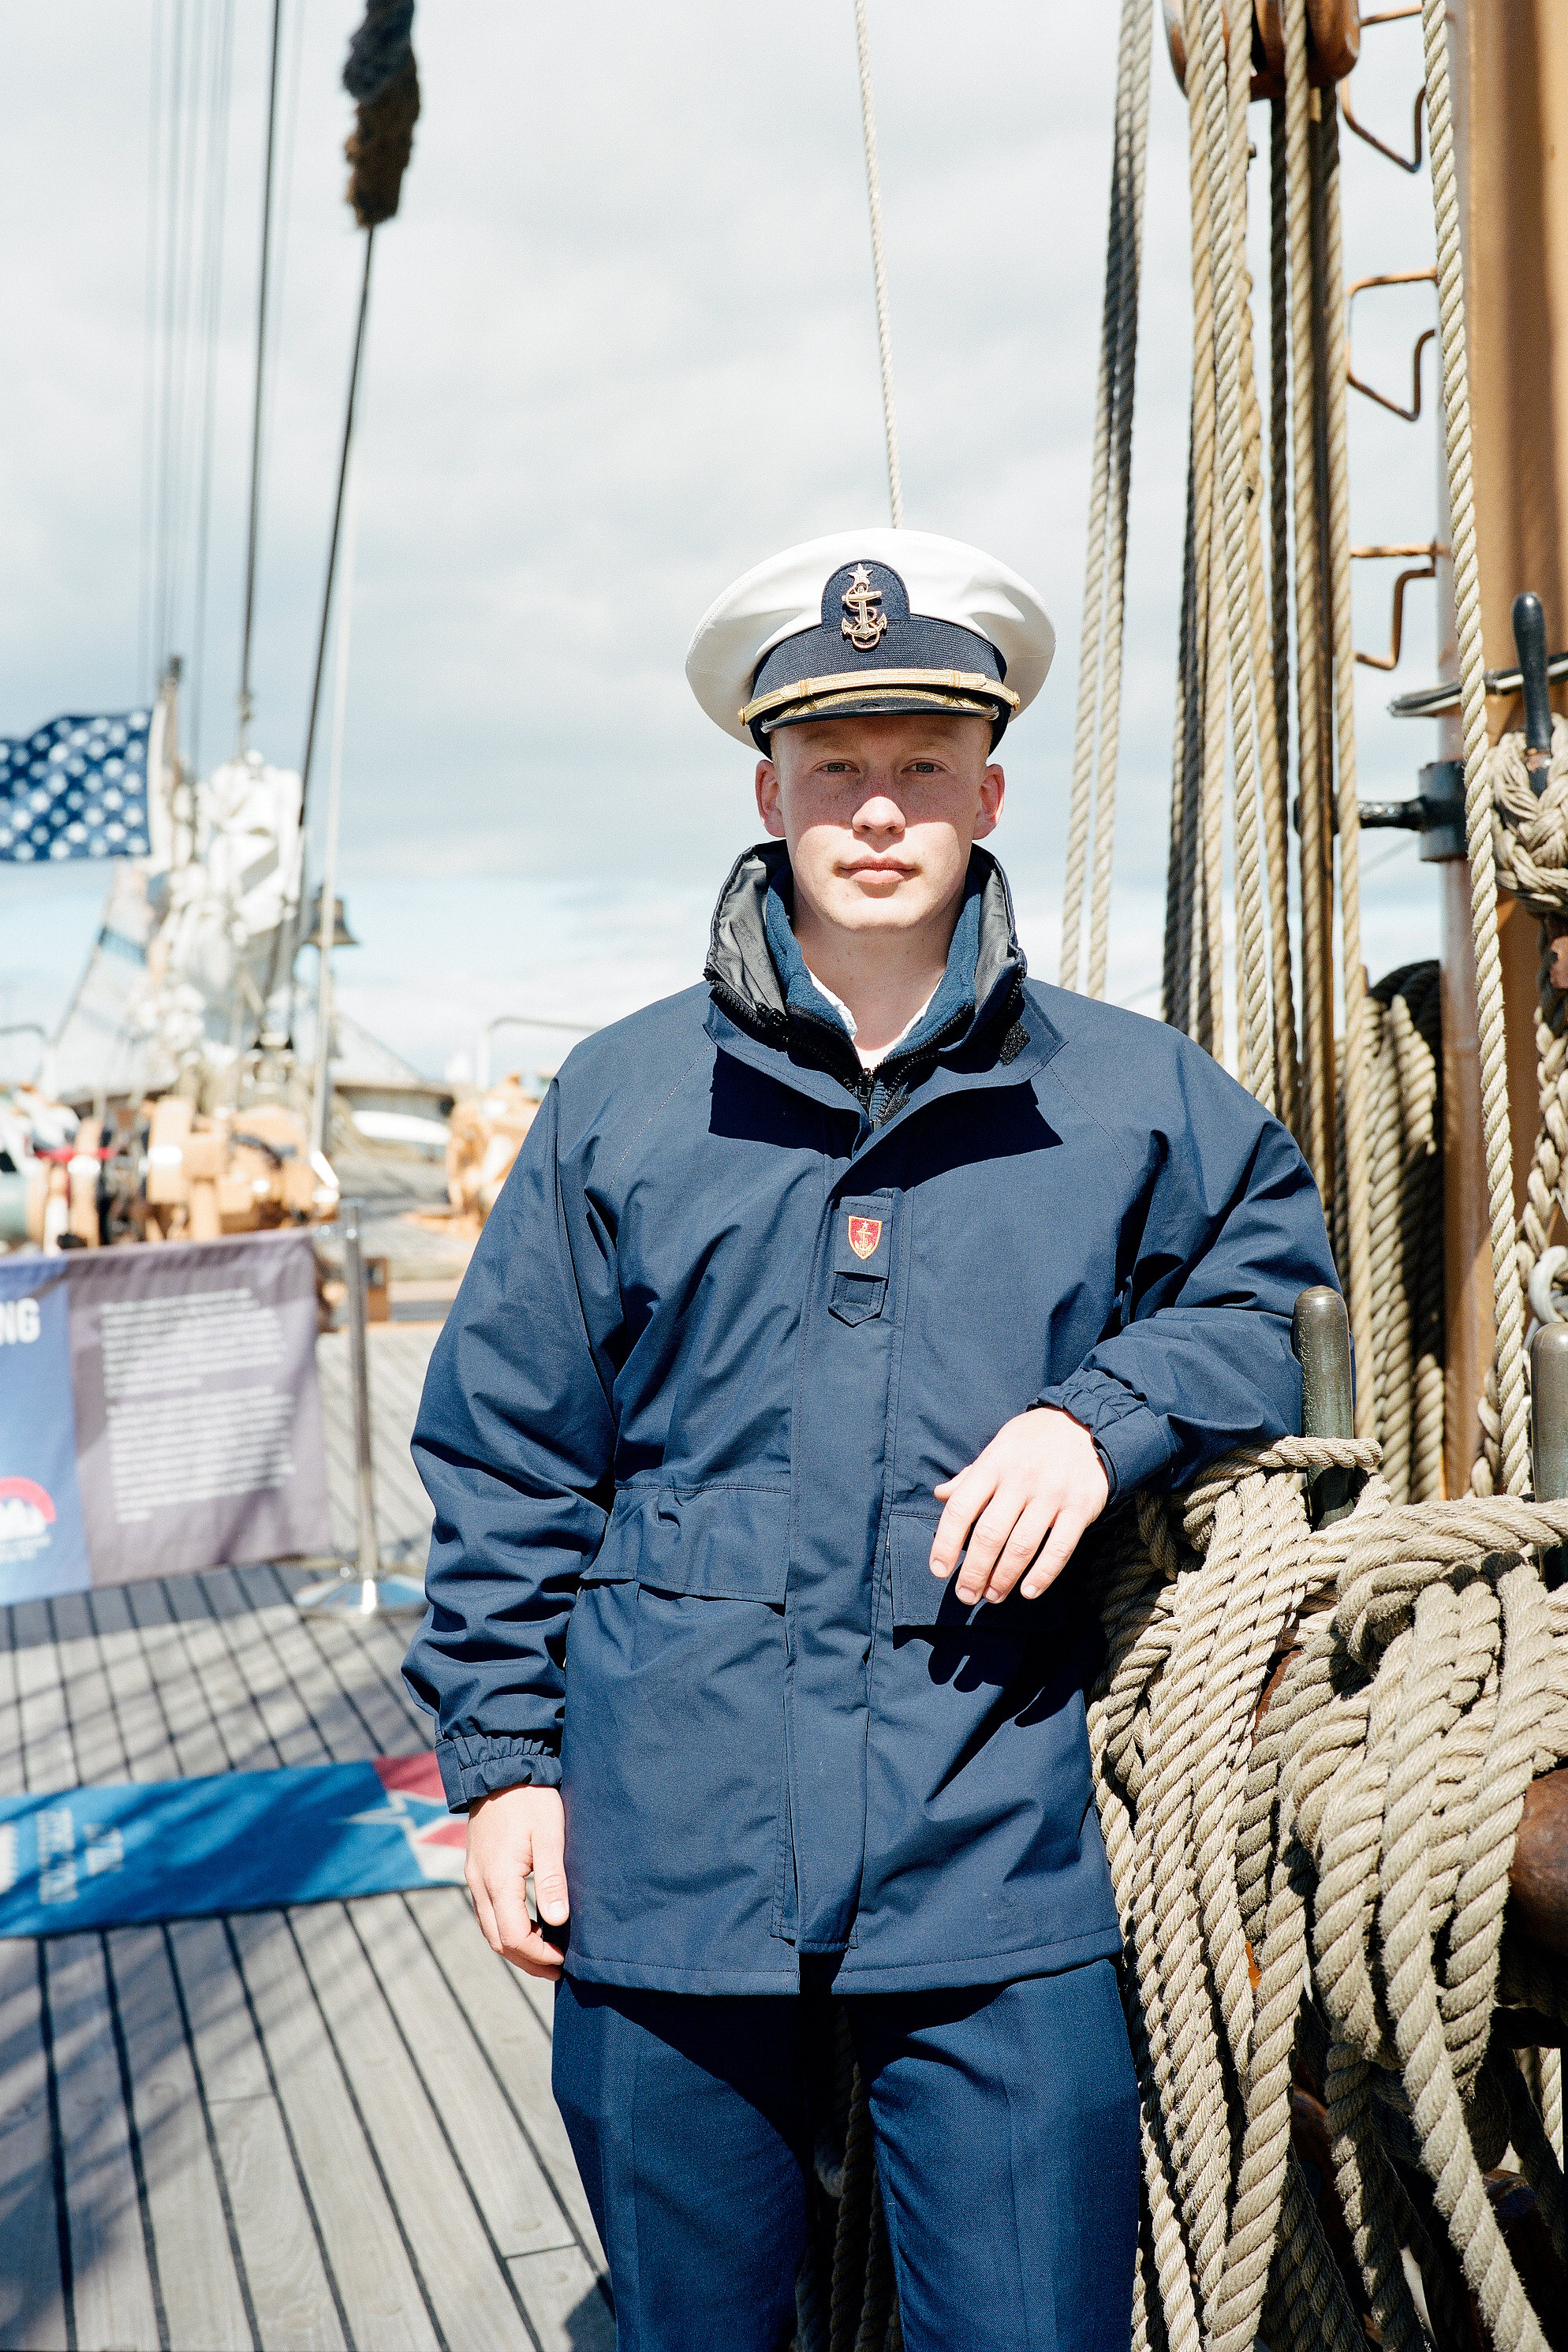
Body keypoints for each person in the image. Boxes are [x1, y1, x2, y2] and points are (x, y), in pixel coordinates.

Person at [404, 528, 1339, 2352]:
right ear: (768, 790)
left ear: (988, 791)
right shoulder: (622, 1100)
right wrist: (508, 1764)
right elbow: (513, 1454)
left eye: (923, 766)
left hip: (988, 1849)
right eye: (838, 767)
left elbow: (1266, 1295)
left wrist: (1101, 1419)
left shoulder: (1131, 1094)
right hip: (671, 1852)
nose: (881, 809)